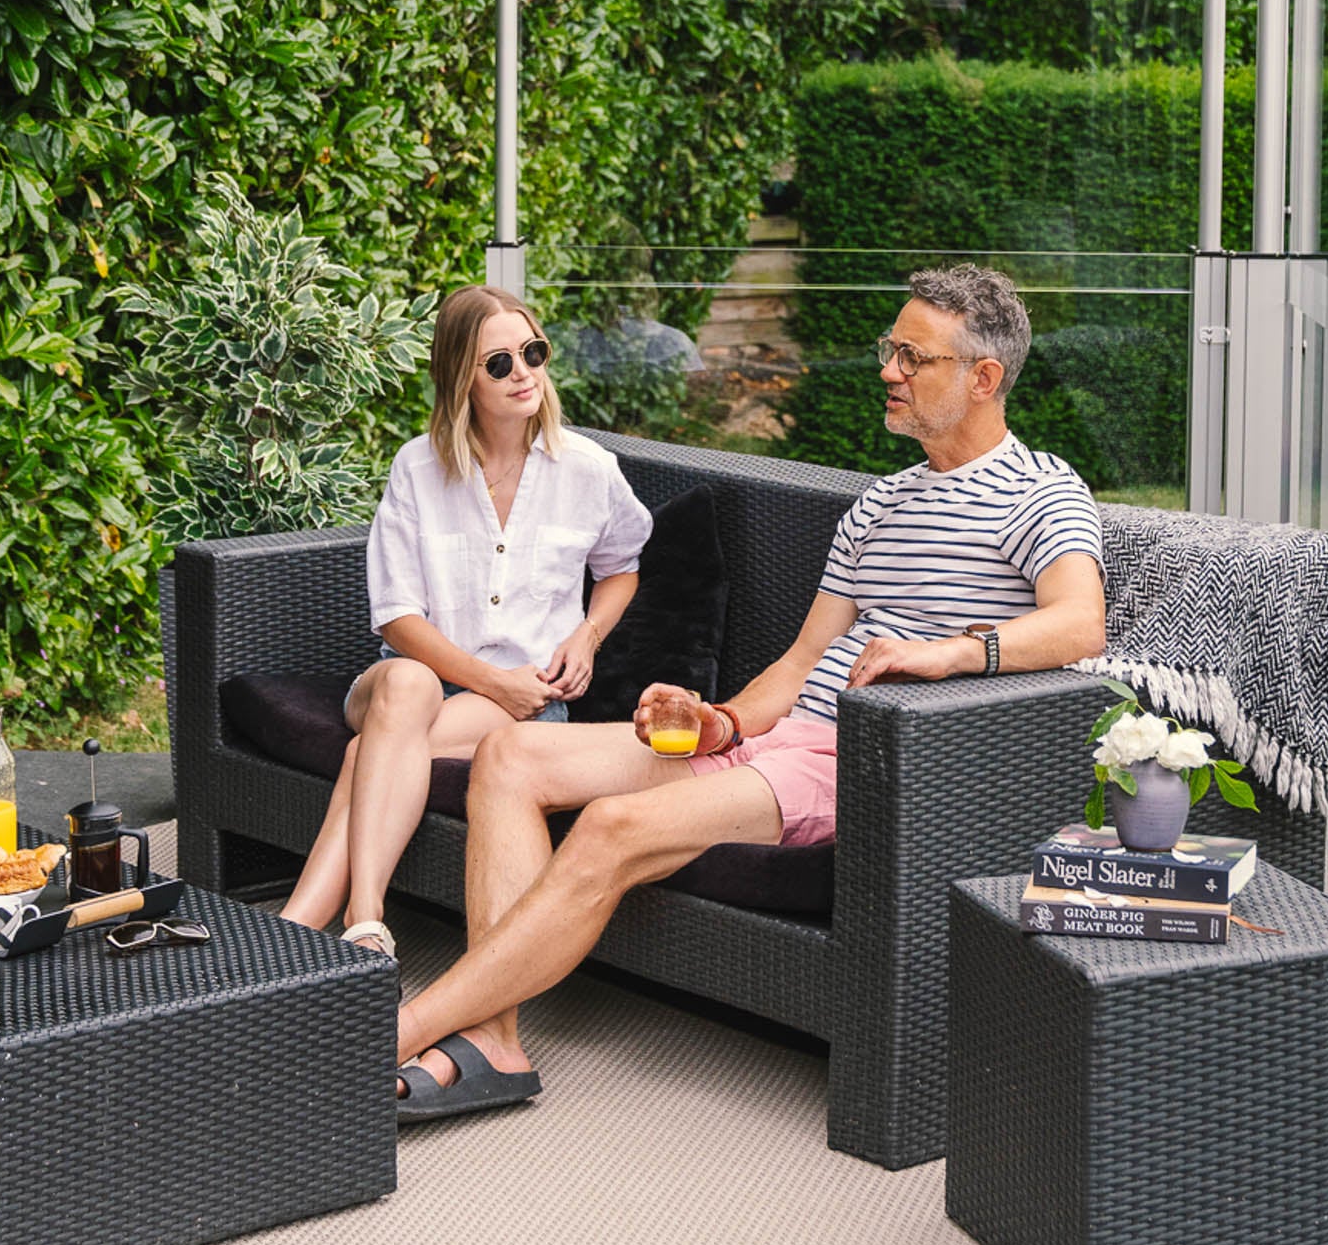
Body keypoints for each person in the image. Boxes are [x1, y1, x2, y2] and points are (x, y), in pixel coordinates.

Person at [391, 262, 1107, 1120]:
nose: (888, 370)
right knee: (509, 755)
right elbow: (804, 661)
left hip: (870, 757)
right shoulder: (878, 507)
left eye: (913, 358)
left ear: (982, 378)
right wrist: (719, 719)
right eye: (892, 351)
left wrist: (947, 652)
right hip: (779, 744)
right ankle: (496, 1041)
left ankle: (398, 1029)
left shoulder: (1041, 491)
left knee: (615, 824)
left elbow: (1079, 625)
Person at [279, 285, 652, 958]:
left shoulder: (590, 471)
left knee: (372, 755)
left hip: (525, 704)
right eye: (499, 363)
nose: (524, 373)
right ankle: (358, 918)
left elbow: (622, 564)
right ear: (461, 377)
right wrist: (488, 679)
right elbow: (395, 617)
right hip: (425, 684)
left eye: (532, 353)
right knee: (407, 686)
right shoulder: (418, 468)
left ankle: (306, 928)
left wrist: (587, 635)